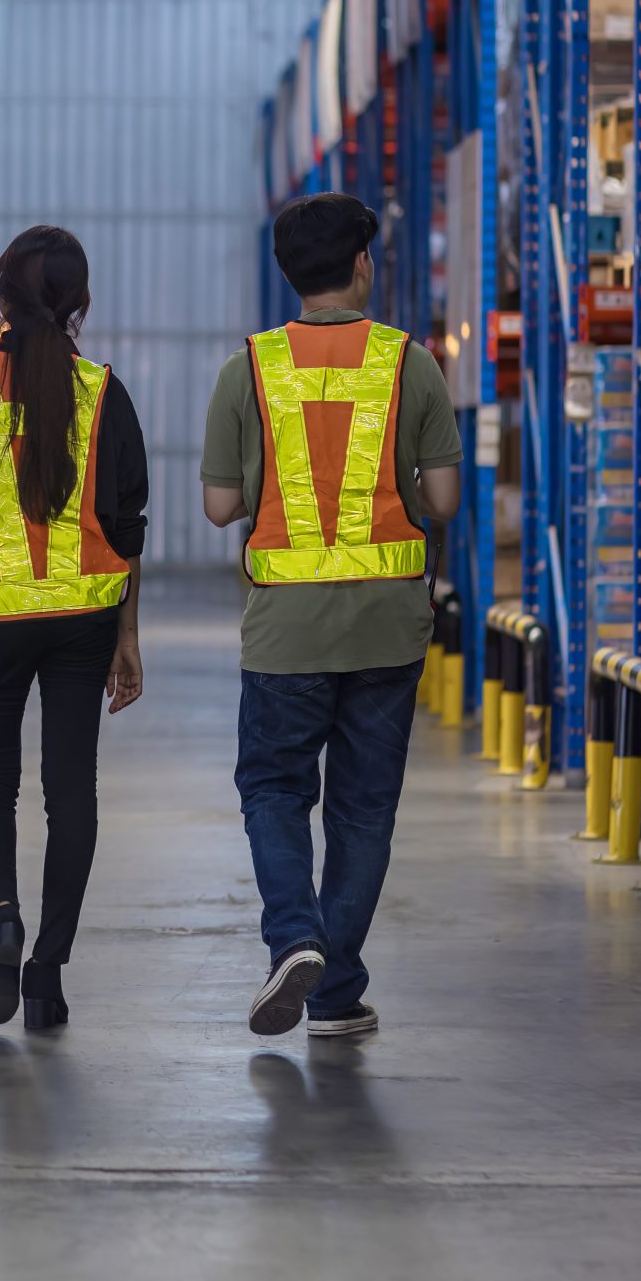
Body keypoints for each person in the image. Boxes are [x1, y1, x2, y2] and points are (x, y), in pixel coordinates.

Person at [202, 193, 461, 1040]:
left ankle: (295, 937)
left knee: (274, 788)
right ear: (361, 266)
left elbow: (219, 504)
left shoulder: (248, 367)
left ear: (288, 274)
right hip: (388, 625)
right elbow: (445, 499)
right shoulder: (409, 363)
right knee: (362, 806)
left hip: (285, 631)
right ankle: (336, 987)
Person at [0, 226, 148, 1030]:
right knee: (69, 789)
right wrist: (127, 635)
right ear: (79, 302)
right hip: (85, 616)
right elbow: (126, 526)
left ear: (0, 297)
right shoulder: (103, 391)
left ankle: (2, 913)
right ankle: (47, 971)